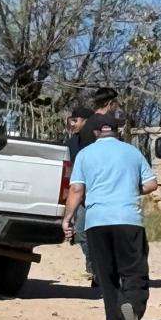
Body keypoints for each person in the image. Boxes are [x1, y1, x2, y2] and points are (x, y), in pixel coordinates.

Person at [62, 112, 158, 320]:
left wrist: (67, 219)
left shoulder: (85, 154)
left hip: (97, 221)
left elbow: (76, 189)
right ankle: (132, 307)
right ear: (118, 131)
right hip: (128, 219)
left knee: (107, 276)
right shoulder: (132, 152)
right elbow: (151, 184)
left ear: (96, 132)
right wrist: (130, 188)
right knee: (134, 272)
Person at [63, 104, 94, 279]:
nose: (73, 124)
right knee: (81, 232)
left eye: (76, 120)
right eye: (71, 120)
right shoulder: (71, 143)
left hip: (100, 195)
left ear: (86, 121)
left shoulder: (98, 142)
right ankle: (93, 267)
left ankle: (102, 269)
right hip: (80, 196)